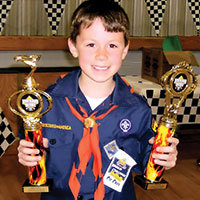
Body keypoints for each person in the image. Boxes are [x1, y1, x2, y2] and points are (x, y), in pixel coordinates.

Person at [17, 0, 179, 199]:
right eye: (91, 44)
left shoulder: (137, 109)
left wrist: (162, 159)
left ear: (125, 50)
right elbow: (30, 143)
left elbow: (147, 159)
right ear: (73, 46)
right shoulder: (46, 104)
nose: (101, 55)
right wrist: (26, 153)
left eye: (112, 45)